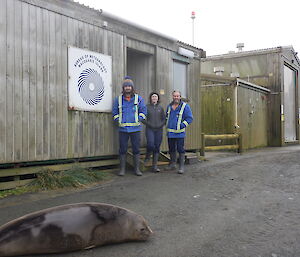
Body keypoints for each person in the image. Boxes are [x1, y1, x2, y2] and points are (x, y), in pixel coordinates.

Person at [112, 76, 147, 176]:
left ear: (132, 87)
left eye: (129, 86)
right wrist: (117, 119)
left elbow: (144, 111)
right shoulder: (118, 99)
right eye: (126, 86)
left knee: (136, 149)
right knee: (122, 149)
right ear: (123, 88)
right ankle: (122, 170)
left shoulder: (139, 99)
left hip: (135, 129)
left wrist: (139, 118)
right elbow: (114, 112)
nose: (127, 88)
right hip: (123, 129)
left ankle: (137, 169)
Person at [166, 90, 193, 174]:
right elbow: (167, 117)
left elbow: (190, 118)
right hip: (170, 133)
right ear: (172, 97)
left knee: (180, 149)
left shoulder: (185, 106)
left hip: (180, 133)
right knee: (171, 149)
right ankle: (173, 164)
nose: (176, 97)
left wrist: (182, 125)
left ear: (180, 97)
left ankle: (181, 166)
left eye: (177, 96)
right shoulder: (169, 106)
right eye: (174, 96)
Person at [143, 92, 166, 172]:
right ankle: (148, 155)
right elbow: (142, 118)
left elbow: (164, 119)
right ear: (150, 98)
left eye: (156, 97)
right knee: (150, 144)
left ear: (158, 98)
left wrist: (161, 125)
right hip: (150, 129)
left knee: (157, 146)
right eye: (153, 97)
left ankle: (154, 166)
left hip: (159, 130)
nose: (154, 98)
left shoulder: (160, 108)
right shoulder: (146, 107)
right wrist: (149, 124)